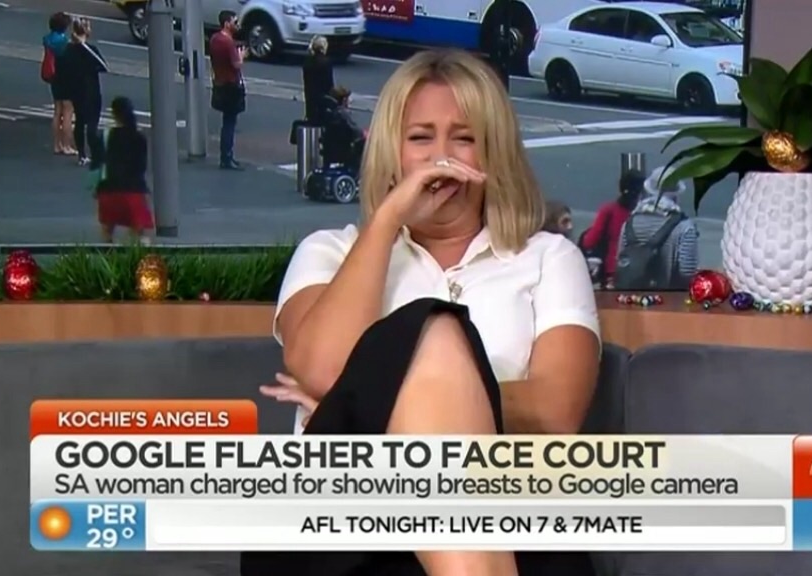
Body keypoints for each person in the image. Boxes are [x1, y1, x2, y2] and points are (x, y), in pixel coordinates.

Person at [244, 49, 600, 576]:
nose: (442, 158)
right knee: (428, 329)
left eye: (464, 138)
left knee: (437, 336)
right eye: (420, 138)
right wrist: (389, 218)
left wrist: (378, 402)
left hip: (511, 519)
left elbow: (554, 414)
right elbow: (320, 369)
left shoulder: (549, 258)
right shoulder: (330, 252)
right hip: (343, 527)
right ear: (393, 153)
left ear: (493, 152)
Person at [614, 165, 699, 291]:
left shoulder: (630, 222)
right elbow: (687, 271)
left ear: (650, 190)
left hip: (632, 296)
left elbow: (621, 260)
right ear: (676, 193)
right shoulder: (684, 227)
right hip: (668, 299)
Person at [89, 96, 154, 245]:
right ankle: (139, 255)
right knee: (139, 233)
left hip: (108, 189)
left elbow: (97, 163)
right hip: (134, 190)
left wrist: (94, 186)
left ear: (114, 114)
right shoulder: (138, 137)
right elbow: (141, 166)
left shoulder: (106, 136)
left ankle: (109, 255)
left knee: (107, 231)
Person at [579, 169, 643, 288]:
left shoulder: (609, 210)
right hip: (640, 272)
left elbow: (589, 241)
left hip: (613, 272)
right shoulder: (644, 214)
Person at [59, 18, 108, 166]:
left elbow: (62, 69)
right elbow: (103, 65)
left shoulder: (68, 50)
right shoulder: (90, 50)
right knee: (92, 124)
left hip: (76, 91)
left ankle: (82, 154)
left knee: (80, 121)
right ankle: (96, 153)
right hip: (91, 90)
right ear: (86, 31)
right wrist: (84, 46)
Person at [209, 10, 247, 170]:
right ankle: (227, 157)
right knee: (230, 123)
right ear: (226, 24)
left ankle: (226, 156)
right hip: (231, 85)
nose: (237, 25)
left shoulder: (214, 39)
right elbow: (236, 64)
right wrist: (242, 55)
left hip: (219, 83)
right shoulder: (228, 42)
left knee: (227, 121)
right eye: (235, 22)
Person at [42, 12, 75, 155]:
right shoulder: (65, 43)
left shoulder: (47, 39)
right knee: (68, 112)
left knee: (57, 111)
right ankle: (67, 145)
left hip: (54, 77)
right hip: (66, 77)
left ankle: (57, 144)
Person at [319, 86, 366, 171]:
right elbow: (357, 133)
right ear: (344, 100)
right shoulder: (343, 115)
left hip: (330, 152)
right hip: (346, 153)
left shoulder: (330, 114)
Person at [302, 35, 335, 125]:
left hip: (310, 96)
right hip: (323, 97)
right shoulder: (326, 62)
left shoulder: (307, 62)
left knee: (312, 118)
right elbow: (329, 82)